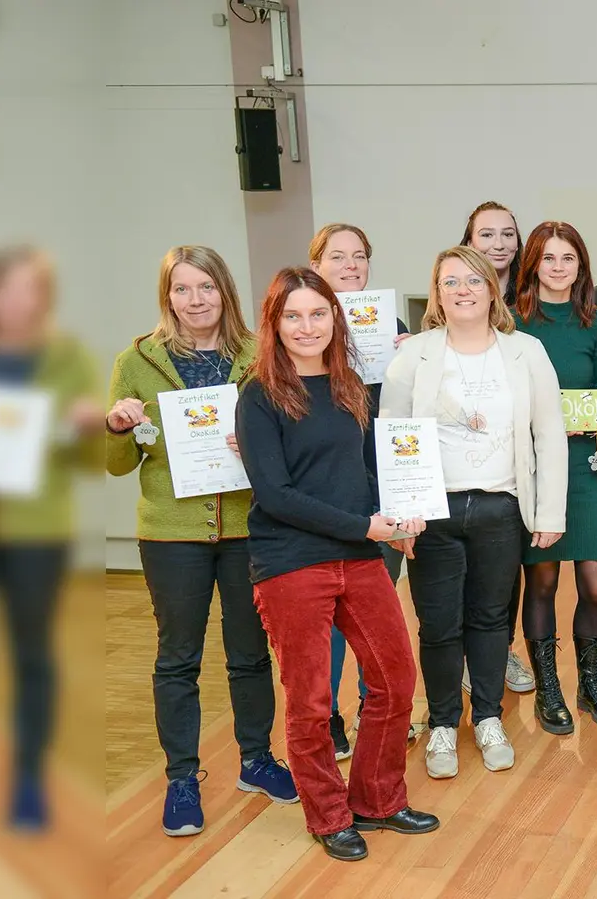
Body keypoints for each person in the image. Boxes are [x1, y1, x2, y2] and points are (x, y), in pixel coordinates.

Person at [236, 266, 437, 862]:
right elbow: (276, 495)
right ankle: (327, 816)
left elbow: (363, 472)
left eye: (317, 314)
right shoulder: (260, 394)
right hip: (291, 562)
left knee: (395, 678)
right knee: (313, 701)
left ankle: (377, 799)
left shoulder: (349, 385)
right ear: (274, 323)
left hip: (360, 553)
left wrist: (395, 520)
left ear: (334, 318)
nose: (306, 326)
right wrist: (364, 527)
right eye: (292, 316)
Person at [104, 246, 293, 838]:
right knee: (177, 657)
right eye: (182, 290)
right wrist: (115, 427)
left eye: (205, 288)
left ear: (225, 292)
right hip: (171, 533)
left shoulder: (259, 356)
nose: (195, 301)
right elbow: (114, 464)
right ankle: (182, 777)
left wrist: (257, 448)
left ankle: (256, 760)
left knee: (250, 651)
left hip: (246, 527)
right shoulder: (136, 361)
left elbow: (289, 440)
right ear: (168, 297)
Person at [382, 247, 566, 779]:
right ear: (436, 293)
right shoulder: (412, 355)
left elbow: (549, 434)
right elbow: (394, 440)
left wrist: (549, 511)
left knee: (490, 620)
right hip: (430, 515)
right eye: (449, 282)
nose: (462, 290)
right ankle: (442, 723)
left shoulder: (525, 351)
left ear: (492, 289)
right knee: (438, 624)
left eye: (472, 280)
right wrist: (398, 518)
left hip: (501, 508)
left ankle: (487, 717)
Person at [0, 247, 103, 829]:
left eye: (30, 290)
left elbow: (92, 462)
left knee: (32, 655)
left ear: (45, 298)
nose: (18, 301)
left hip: (38, 534)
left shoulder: (67, 358)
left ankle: (28, 781)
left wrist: (93, 428)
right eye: (7, 289)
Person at [512, 222, 597, 732]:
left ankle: (590, 682)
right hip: (537, 470)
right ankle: (549, 690)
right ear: (533, 265)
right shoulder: (512, 326)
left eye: (569, 259)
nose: (559, 267)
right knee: (541, 582)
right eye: (549, 259)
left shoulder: (595, 323)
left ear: (581, 266)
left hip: (590, 467)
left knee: (596, 586)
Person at [308, 222, 417, 759]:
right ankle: (325, 717)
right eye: (337, 256)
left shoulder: (391, 325)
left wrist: (409, 359)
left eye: (360, 256)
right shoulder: (301, 327)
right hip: (325, 491)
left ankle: (374, 707)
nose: (350, 265)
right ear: (316, 265)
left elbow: (403, 415)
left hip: (381, 487)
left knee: (376, 606)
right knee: (326, 613)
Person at [458, 200, 536, 695]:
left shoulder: (531, 303)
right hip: (467, 451)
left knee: (509, 567)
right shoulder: (455, 297)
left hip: (519, 449)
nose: (499, 244)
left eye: (508, 234)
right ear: (468, 242)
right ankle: (469, 654)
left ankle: (501, 650)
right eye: (487, 235)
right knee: (465, 566)